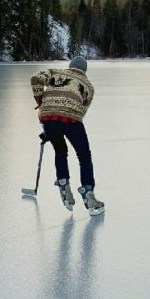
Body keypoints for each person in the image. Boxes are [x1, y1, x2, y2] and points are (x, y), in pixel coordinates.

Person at [30, 57, 103, 215]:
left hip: (49, 118)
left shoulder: (54, 72)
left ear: (70, 66)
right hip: (72, 120)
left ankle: (63, 183)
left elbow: (35, 78)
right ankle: (88, 193)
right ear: (84, 70)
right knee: (84, 156)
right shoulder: (88, 86)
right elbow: (81, 111)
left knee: (60, 151)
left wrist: (40, 100)